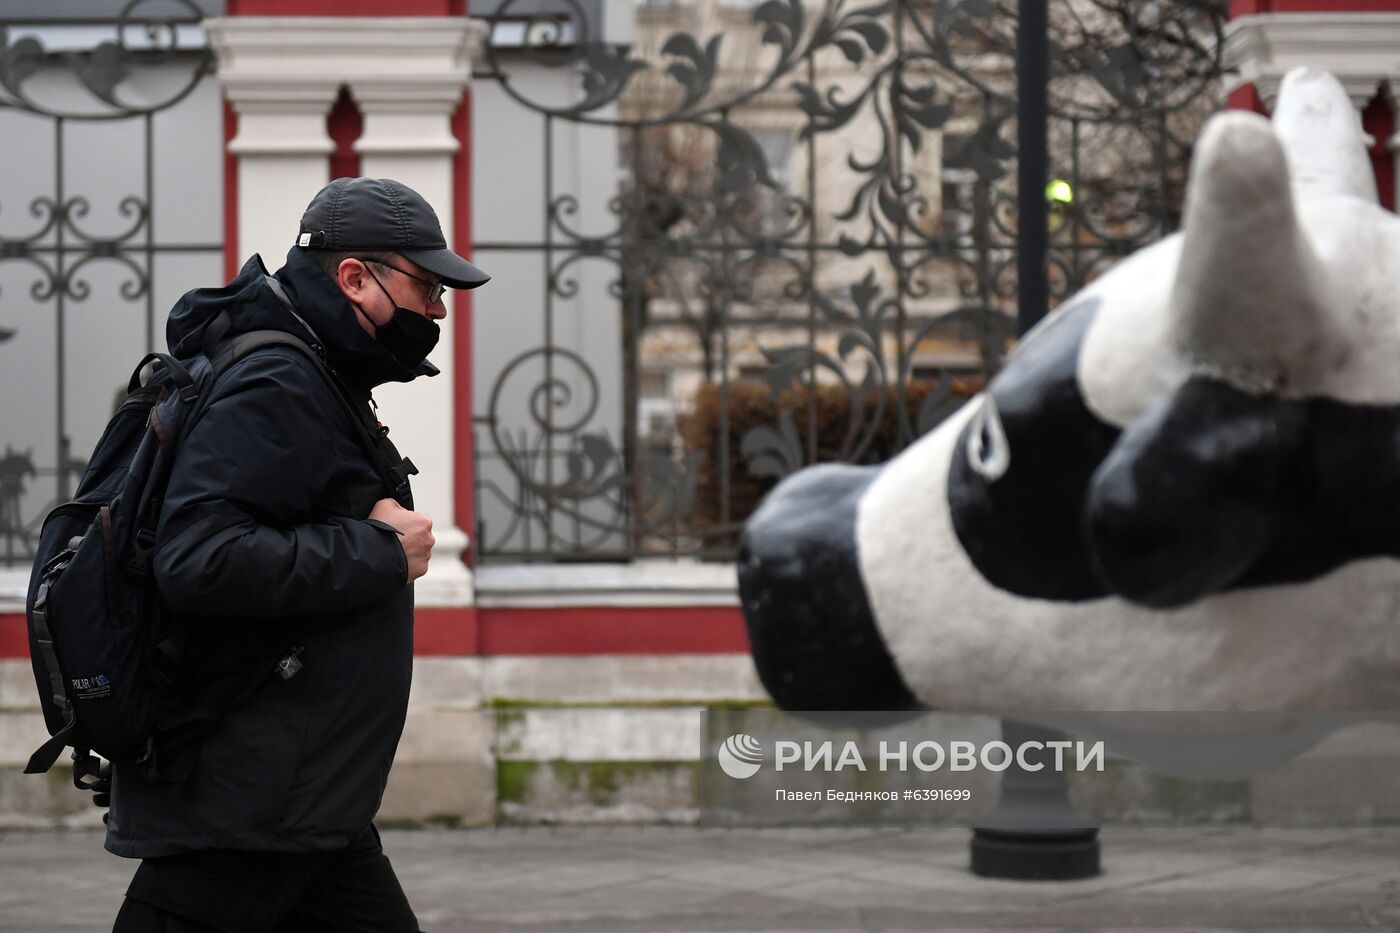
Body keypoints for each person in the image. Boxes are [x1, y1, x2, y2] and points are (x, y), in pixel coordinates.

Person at [106, 177, 489, 932]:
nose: (439, 311)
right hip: (253, 797)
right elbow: (199, 557)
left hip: (300, 792)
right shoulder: (279, 379)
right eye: (427, 286)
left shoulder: (313, 370)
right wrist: (379, 549)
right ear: (355, 277)